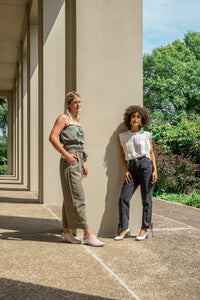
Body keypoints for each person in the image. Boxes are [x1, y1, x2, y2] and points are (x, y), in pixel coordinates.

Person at [49, 91, 105, 247]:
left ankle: (66, 233)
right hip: (69, 160)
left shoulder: (76, 121)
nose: (78, 105)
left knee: (69, 197)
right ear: (68, 104)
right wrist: (66, 154)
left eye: (80, 102)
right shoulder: (63, 118)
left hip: (79, 160)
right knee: (78, 198)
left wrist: (84, 163)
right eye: (75, 102)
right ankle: (88, 234)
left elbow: (80, 145)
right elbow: (52, 137)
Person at [114, 105, 157, 241]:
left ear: (142, 119)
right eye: (133, 116)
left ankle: (144, 228)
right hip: (131, 168)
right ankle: (124, 228)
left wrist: (155, 170)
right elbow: (122, 155)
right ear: (129, 119)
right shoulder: (123, 136)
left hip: (146, 166)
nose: (135, 119)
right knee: (123, 198)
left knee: (146, 199)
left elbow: (151, 153)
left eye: (138, 117)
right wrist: (126, 170)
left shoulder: (146, 135)